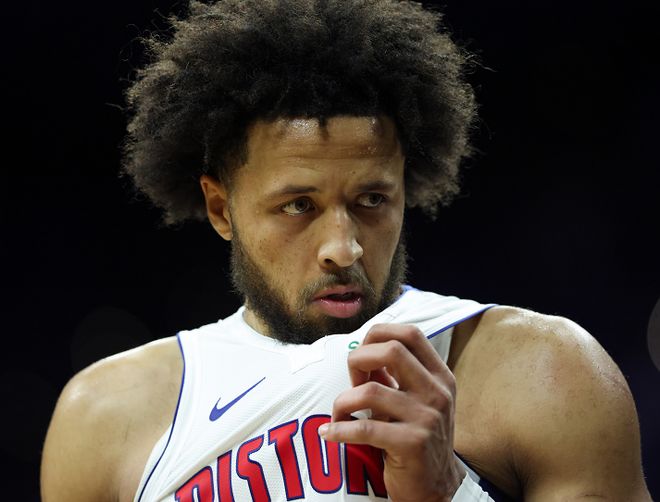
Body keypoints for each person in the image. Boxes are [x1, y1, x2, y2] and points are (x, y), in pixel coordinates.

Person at [41, 1, 651, 500]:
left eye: (372, 200)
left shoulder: (542, 370)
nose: (343, 246)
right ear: (222, 209)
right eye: (297, 205)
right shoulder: (106, 415)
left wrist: (449, 492)